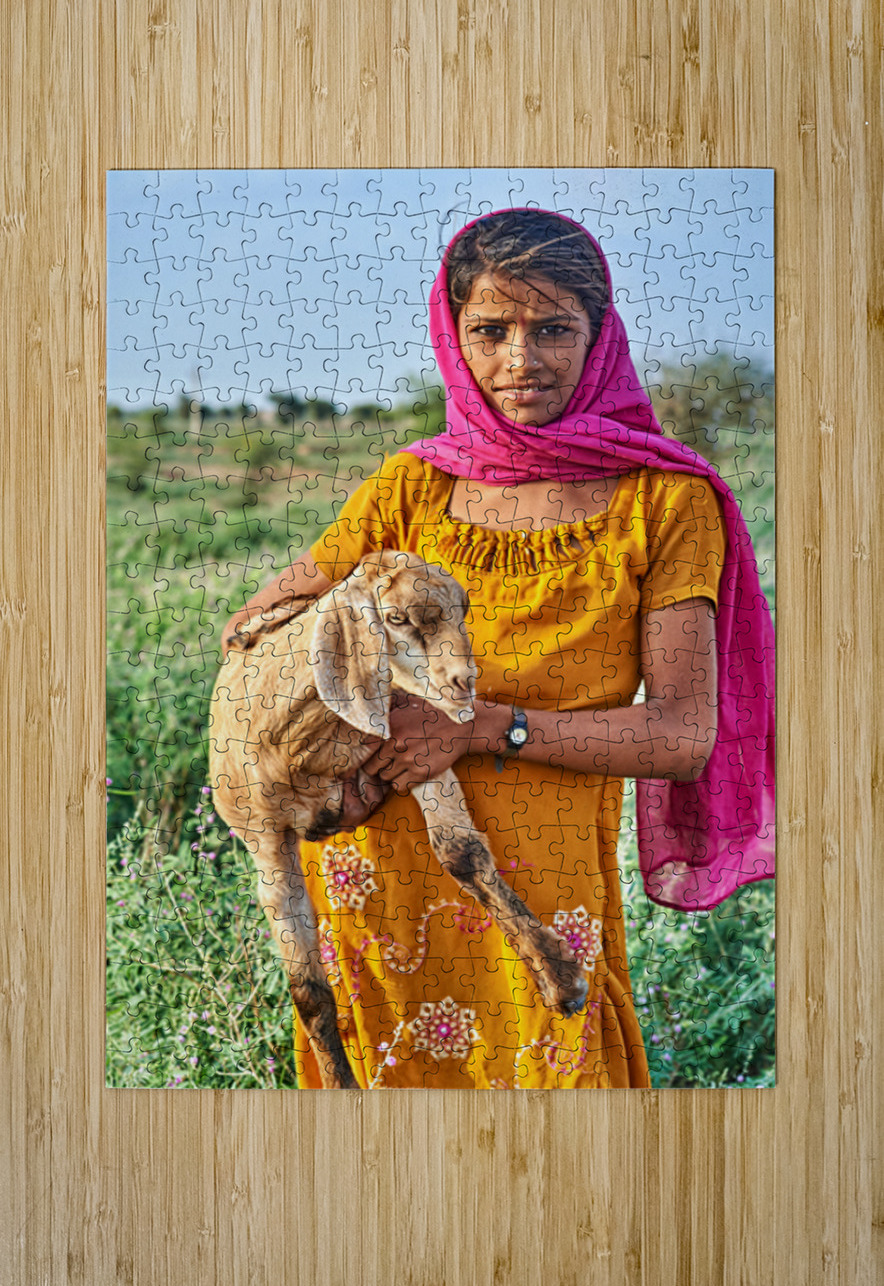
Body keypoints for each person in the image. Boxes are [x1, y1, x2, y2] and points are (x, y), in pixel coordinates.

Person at [221, 209, 774, 1089]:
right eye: (491, 331)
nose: (522, 359)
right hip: (371, 882)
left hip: (540, 904)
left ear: (599, 335)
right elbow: (257, 628)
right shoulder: (410, 487)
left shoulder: (665, 502)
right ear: (456, 336)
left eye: (553, 328)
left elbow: (683, 736)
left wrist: (481, 726)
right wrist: (323, 755)